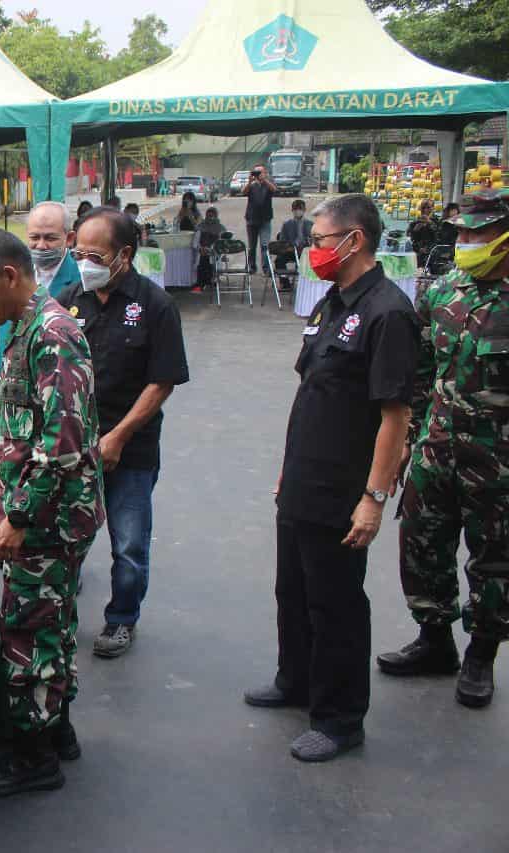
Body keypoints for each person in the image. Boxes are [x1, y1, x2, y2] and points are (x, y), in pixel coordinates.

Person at [244, 193, 419, 762]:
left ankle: (342, 718)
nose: (310, 250)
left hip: (344, 488)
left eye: (318, 241)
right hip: (303, 478)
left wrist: (373, 496)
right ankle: (295, 679)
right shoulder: (333, 303)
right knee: (291, 590)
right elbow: (313, 393)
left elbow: (396, 415)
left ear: (354, 241)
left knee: (336, 602)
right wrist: (287, 469)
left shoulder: (387, 312)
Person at [0, 230, 103, 796]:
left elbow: (64, 442)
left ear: (10, 277)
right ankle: (57, 730)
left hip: (49, 521)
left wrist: (19, 518)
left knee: (28, 631)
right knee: (51, 624)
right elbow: (15, 421)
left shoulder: (53, 336)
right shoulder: (23, 330)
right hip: (44, 514)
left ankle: (33, 757)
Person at [377, 187, 509, 708]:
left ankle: (481, 654)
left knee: (494, 562)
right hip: (435, 451)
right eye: (464, 233)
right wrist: (407, 441)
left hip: (499, 464)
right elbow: (422, 371)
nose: (468, 242)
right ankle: (434, 640)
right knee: (422, 545)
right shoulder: (443, 293)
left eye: (480, 233)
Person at [56, 207, 190, 659]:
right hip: (73, 448)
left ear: (124, 255)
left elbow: (162, 381)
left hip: (130, 450)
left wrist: (119, 436)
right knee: (66, 534)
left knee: (129, 543)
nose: (85, 263)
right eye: (79, 253)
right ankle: (59, 606)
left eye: (95, 255)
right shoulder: (72, 298)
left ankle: (121, 619)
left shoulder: (155, 305)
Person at [0, 202, 83, 371]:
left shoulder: (81, 281)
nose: (41, 245)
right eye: (34, 237)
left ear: (69, 238)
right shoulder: (10, 275)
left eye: (50, 238)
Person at [244, 163, 277, 275]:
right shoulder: (252, 185)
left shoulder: (268, 185)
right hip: (251, 219)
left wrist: (265, 180)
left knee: (264, 245)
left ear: (265, 173)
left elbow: (274, 190)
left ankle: (266, 268)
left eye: (260, 172)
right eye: (256, 172)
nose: (258, 175)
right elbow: (243, 192)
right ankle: (252, 267)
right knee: (251, 246)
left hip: (265, 220)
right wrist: (249, 181)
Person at [275, 198, 314, 288]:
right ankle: (285, 283)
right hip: (291, 250)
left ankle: (304, 282)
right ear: (292, 210)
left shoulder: (310, 224)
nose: (298, 211)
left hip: (304, 252)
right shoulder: (287, 224)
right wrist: (289, 248)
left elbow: (313, 241)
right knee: (279, 260)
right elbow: (282, 241)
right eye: (295, 209)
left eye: (300, 209)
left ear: (304, 210)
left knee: (305, 260)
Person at [192, 206, 224, 293]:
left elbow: (222, 243)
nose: (210, 218)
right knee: (203, 257)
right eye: (208, 216)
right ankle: (201, 283)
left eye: (212, 216)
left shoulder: (220, 228)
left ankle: (211, 279)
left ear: (216, 216)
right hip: (202, 251)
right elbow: (195, 243)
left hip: (215, 252)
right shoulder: (201, 227)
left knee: (210, 257)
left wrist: (211, 249)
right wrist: (200, 248)